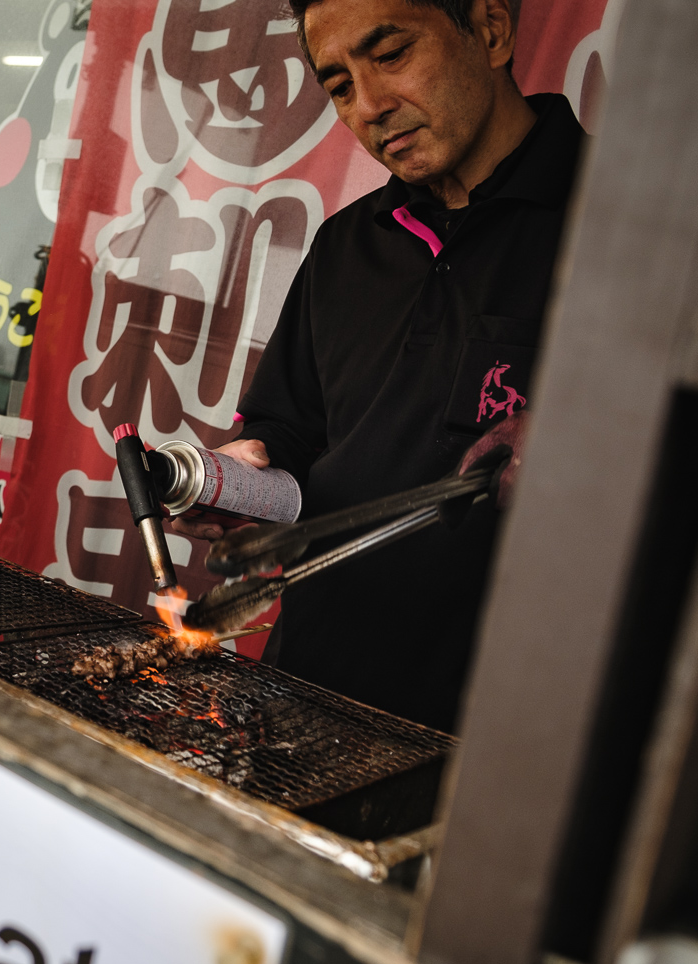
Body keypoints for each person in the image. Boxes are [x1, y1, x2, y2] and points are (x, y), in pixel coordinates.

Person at [171, 0, 581, 734]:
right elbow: (286, 429)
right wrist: (245, 478)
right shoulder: (346, 248)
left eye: (391, 55)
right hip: (305, 700)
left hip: (499, 742)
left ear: (489, 28)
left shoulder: (621, 233)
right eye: (338, 85)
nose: (370, 107)